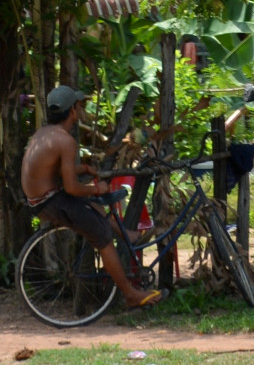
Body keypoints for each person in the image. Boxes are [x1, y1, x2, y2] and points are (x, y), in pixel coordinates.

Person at [22, 85, 164, 310]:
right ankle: (130, 294)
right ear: (72, 112)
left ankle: (128, 235)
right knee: (104, 239)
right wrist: (98, 189)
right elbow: (71, 188)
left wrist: (83, 169)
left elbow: (54, 171)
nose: (80, 111)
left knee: (95, 208)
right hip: (52, 201)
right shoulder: (66, 141)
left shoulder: (43, 134)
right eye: (79, 107)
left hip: (41, 198)